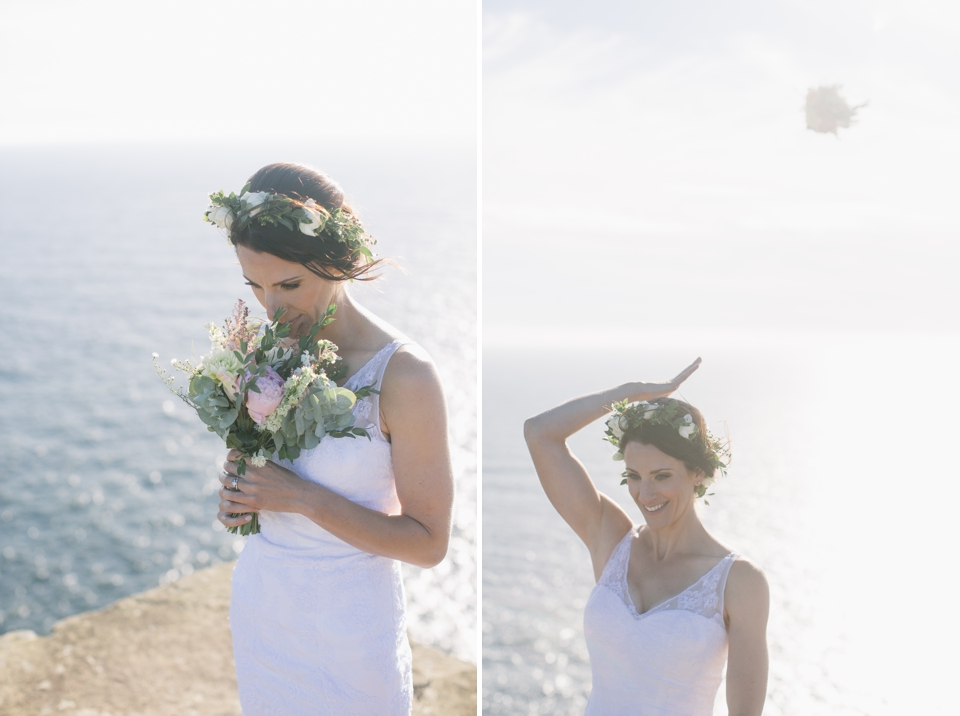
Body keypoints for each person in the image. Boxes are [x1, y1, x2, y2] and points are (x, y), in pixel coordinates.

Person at [211, 162, 454, 715]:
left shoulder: (404, 376)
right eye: (255, 286)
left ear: (337, 261)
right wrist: (238, 491)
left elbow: (429, 543)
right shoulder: (265, 351)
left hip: (350, 641)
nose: (272, 308)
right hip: (263, 614)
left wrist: (298, 497)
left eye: (290, 285)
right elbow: (259, 483)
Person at [523, 358, 769, 715]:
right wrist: (627, 395)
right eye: (634, 475)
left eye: (662, 475)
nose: (645, 494)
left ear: (697, 472)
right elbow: (539, 433)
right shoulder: (611, 540)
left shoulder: (740, 582)